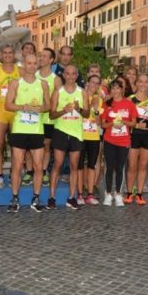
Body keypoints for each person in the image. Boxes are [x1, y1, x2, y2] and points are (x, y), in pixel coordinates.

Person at [5, 53, 50, 212]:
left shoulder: (43, 84)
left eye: (34, 63)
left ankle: (36, 198)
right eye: (28, 63)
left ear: (38, 64)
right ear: (24, 64)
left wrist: (39, 108)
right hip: (19, 129)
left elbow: (48, 106)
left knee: (38, 166)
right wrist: (23, 107)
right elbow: (8, 105)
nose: (31, 66)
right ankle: (15, 198)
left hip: (36, 130)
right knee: (17, 165)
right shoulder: (15, 83)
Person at [49, 64, 89, 209]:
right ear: (63, 75)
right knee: (58, 164)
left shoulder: (82, 92)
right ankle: (51, 197)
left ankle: (71, 197)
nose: (71, 76)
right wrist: (63, 111)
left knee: (74, 166)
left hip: (76, 133)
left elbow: (87, 114)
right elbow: (51, 115)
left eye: (73, 74)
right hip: (61, 131)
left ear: (77, 76)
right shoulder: (58, 92)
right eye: (68, 73)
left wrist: (79, 110)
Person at [101, 80, 138, 206]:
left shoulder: (129, 104)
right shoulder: (106, 104)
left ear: (122, 89)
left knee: (120, 168)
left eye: (117, 88)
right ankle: (107, 194)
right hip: (109, 140)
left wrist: (124, 122)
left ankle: (118, 194)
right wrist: (112, 123)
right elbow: (103, 124)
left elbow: (134, 122)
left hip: (124, 141)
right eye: (112, 88)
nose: (115, 91)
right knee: (109, 167)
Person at [0, 44, 20, 188]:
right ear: (1, 55)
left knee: (16, 145)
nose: (8, 55)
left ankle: (16, 172)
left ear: (14, 55)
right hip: (1, 110)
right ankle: (0, 175)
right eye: (5, 53)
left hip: (15, 111)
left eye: (10, 52)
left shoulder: (20, 71)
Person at [125, 74, 148, 206]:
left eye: (146, 82)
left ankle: (139, 194)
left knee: (143, 166)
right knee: (132, 166)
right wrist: (136, 125)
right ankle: (128, 193)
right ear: (136, 83)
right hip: (134, 135)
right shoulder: (129, 100)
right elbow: (124, 119)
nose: (143, 85)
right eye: (140, 82)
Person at [35, 48, 62, 185]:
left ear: (51, 60)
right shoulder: (33, 75)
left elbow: (58, 101)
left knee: (46, 146)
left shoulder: (56, 79)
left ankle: (44, 171)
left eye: (45, 56)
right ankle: (31, 171)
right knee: (31, 147)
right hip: (33, 118)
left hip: (48, 119)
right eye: (40, 56)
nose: (41, 59)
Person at [78, 74, 102, 205]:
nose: (94, 85)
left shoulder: (99, 100)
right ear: (87, 83)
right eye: (92, 82)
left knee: (92, 165)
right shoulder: (81, 96)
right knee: (79, 165)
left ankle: (90, 194)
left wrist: (96, 109)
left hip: (93, 136)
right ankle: (80, 194)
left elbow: (99, 123)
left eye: (97, 83)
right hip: (81, 136)